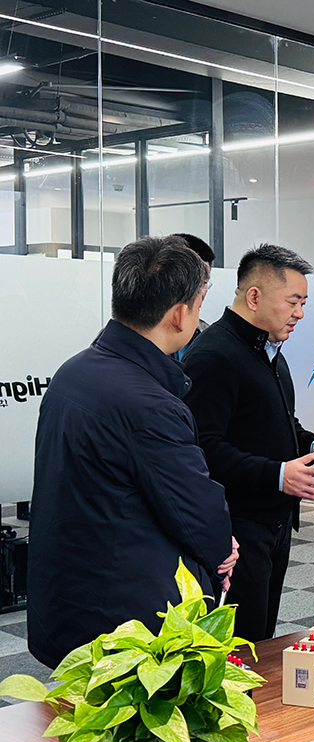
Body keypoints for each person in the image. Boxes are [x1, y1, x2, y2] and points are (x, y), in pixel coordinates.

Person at [27, 235, 238, 669]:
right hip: (127, 619)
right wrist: (223, 548)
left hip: (71, 597)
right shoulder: (149, 404)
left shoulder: (74, 372)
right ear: (179, 314)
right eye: (199, 304)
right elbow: (195, 512)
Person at [183, 244, 314, 642]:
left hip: (274, 525)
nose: (300, 313)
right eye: (293, 301)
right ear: (254, 296)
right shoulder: (215, 355)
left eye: (304, 303)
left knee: (265, 641)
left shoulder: (270, 352)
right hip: (236, 530)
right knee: (239, 646)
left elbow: (278, 423)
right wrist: (277, 475)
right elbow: (201, 448)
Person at [169, 233, 214, 362]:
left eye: (204, 282)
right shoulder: (143, 334)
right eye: (195, 282)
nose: (201, 292)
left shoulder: (208, 335)